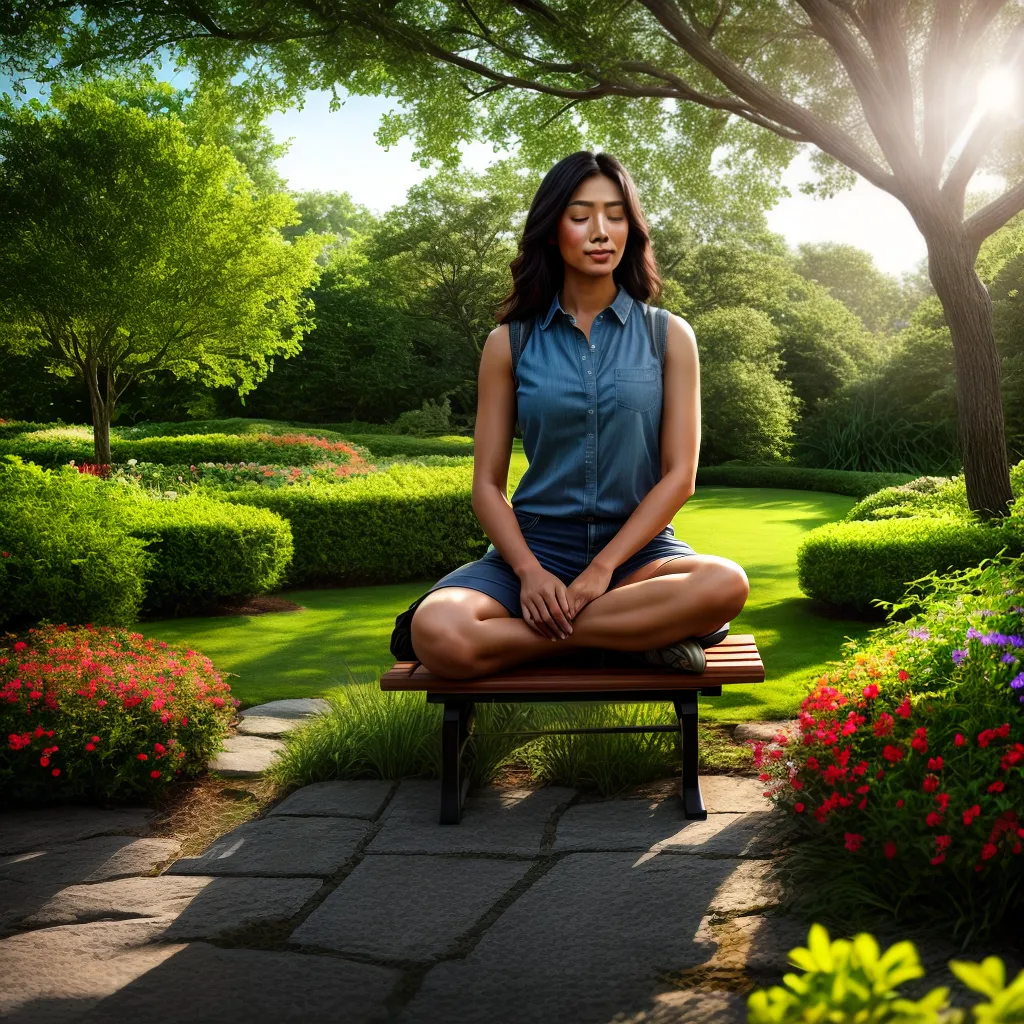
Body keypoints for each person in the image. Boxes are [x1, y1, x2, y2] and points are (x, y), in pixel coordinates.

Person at [405, 151, 749, 681]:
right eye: (580, 214)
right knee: (438, 632)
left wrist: (601, 571)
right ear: (551, 230)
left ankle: (580, 632)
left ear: (630, 229)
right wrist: (529, 573)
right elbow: (487, 486)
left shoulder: (669, 336)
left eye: (615, 215)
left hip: (639, 555)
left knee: (726, 583)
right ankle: (630, 637)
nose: (600, 231)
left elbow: (680, 475)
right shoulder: (508, 344)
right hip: (537, 545)